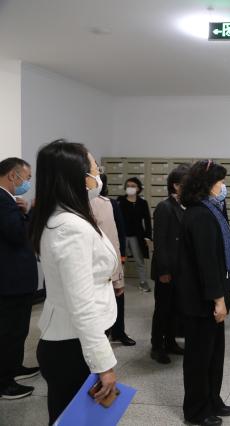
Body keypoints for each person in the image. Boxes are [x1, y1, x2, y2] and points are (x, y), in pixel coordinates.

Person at [29, 140, 118, 424]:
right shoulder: (70, 227)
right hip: (72, 345)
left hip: (74, 340)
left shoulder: (66, 217)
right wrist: (104, 364)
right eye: (94, 169)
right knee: (73, 419)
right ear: (76, 176)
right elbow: (82, 305)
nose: (98, 175)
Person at [177, 160, 230, 426]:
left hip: (211, 296)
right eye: (220, 182)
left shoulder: (210, 210)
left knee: (214, 354)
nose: (223, 187)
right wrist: (218, 300)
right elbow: (207, 263)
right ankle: (196, 411)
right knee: (199, 358)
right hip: (202, 300)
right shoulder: (200, 215)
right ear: (207, 185)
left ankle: (213, 400)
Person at [0, 157, 40, 400]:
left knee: (18, 331)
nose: (27, 183)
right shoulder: (2, 200)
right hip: (10, 282)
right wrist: (33, 213)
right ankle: (5, 383)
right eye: (27, 178)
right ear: (13, 175)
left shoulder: (8, 201)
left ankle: (14, 368)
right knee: (9, 332)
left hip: (16, 282)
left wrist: (23, 212)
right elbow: (17, 235)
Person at [150, 164, 189, 364]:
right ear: (176, 185)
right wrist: (164, 270)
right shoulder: (165, 207)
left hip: (181, 269)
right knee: (163, 309)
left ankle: (171, 341)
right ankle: (157, 346)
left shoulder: (185, 206)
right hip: (166, 269)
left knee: (176, 308)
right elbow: (160, 242)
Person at [91, 174, 136, 347]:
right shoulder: (80, 204)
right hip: (94, 260)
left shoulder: (111, 204)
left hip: (112, 257)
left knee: (118, 295)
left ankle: (119, 331)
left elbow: (120, 230)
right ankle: (101, 334)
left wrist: (122, 254)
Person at [117, 177, 152, 292]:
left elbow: (147, 220)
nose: (130, 188)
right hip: (122, 236)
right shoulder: (120, 201)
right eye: (128, 186)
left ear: (138, 188)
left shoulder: (142, 203)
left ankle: (143, 282)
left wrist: (148, 236)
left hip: (136, 236)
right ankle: (118, 282)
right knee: (120, 260)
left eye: (133, 186)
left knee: (139, 260)